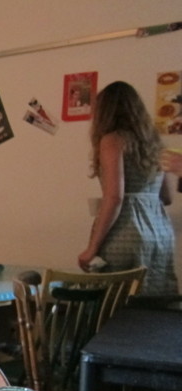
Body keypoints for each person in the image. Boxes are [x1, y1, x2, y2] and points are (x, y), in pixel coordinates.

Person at [78, 81, 179, 295]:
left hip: (127, 230)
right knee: (152, 301)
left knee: (115, 299)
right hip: (159, 232)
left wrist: (92, 248)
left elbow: (115, 197)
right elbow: (167, 197)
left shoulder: (113, 140)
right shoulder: (156, 143)